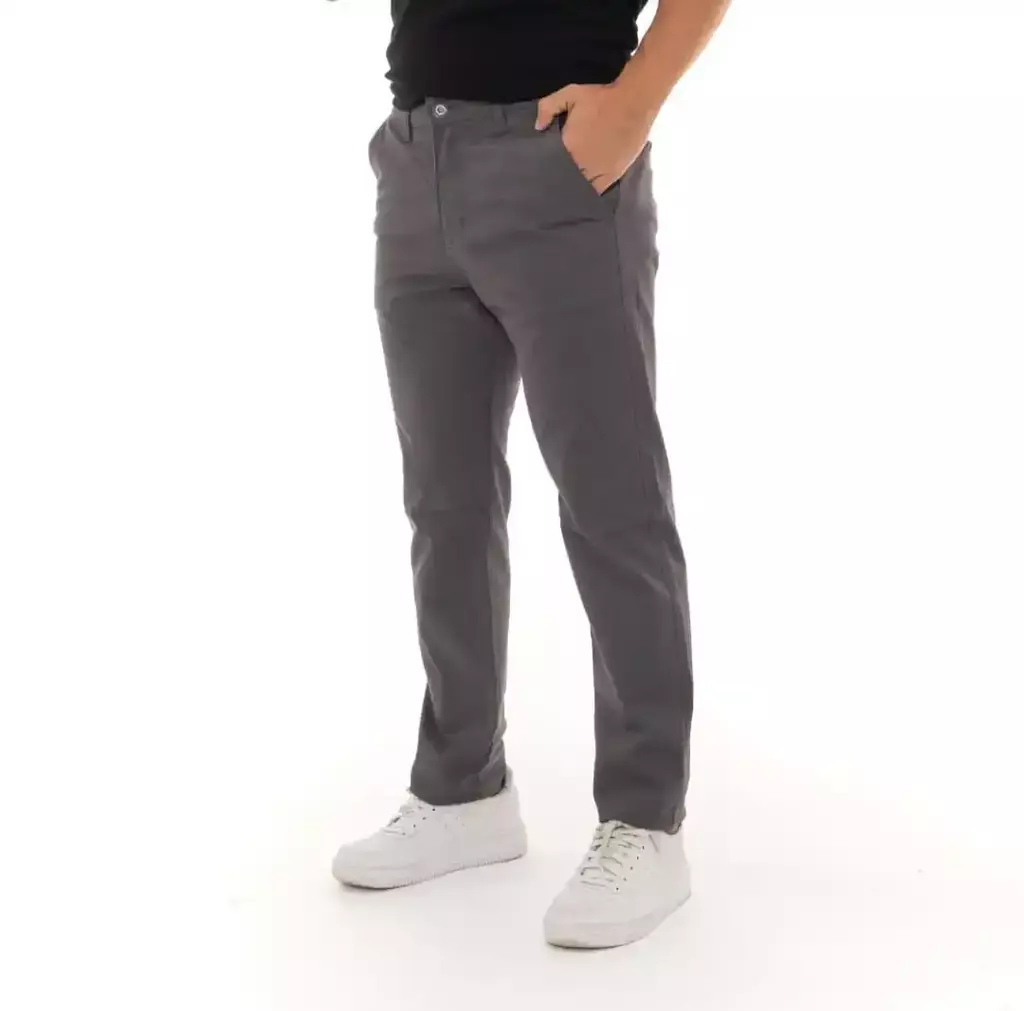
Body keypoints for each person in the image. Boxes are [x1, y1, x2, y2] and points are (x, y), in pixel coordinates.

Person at [331, 0, 731, 949]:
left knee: (611, 498)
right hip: (416, 154)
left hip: (558, 154)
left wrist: (633, 105)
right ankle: (463, 788)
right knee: (446, 502)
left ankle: (645, 819)